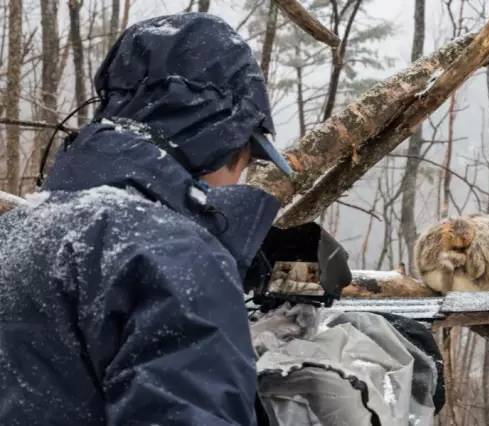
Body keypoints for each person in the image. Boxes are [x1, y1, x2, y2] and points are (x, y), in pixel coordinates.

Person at [0, 13, 293, 425]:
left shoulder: (14, 232)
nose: (238, 179)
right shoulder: (175, 255)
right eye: (246, 159)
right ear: (220, 141)